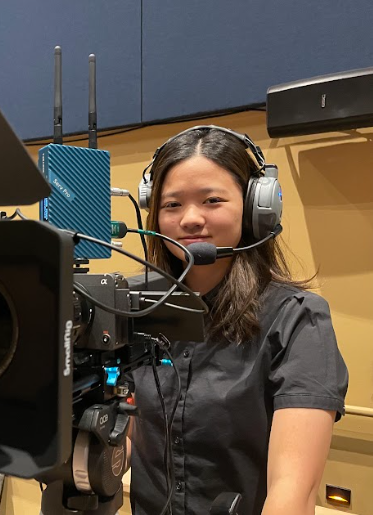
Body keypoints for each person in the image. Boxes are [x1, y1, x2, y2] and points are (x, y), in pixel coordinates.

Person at [128, 126, 348, 515]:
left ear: (256, 208)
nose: (191, 219)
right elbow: (123, 441)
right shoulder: (132, 305)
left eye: (212, 200)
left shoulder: (296, 319)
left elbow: (292, 493)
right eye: (172, 205)